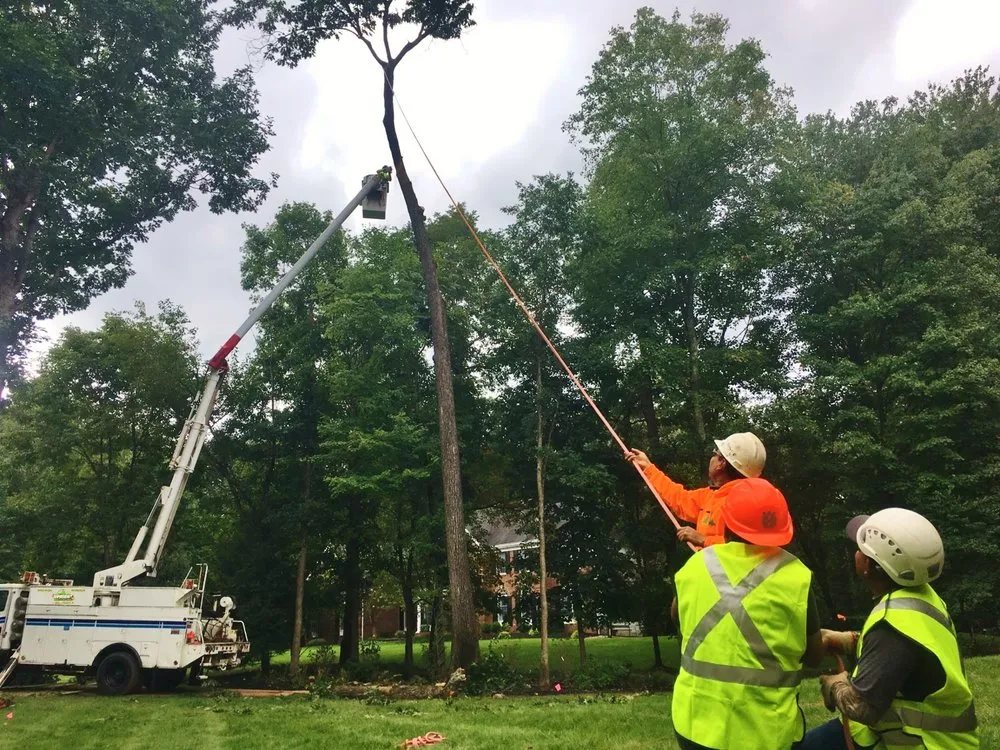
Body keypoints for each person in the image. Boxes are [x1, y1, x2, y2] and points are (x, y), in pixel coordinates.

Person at [801, 509, 979, 750]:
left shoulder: (890, 624)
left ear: (870, 567)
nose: (855, 553)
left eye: (860, 549)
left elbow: (862, 707)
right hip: (924, 734)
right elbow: (905, 654)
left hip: (924, 741)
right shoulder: (921, 596)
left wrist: (835, 685)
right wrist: (850, 640)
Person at [671, 477, 824, 750]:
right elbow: (814, 656)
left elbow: (680, 619)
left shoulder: (697, 565)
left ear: (726, 522)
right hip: (768, 733)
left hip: (695, 725)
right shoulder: (797, 576)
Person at [626, 432, 766, 548]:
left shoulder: (749, 503)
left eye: (714, 453)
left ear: (721, 464)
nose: (711, 458)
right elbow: (678, 498)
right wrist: (648, 468)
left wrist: (703, 540)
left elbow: (749, 548)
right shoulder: (712, 495)